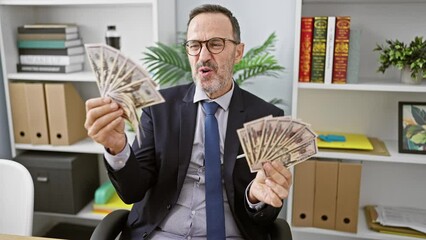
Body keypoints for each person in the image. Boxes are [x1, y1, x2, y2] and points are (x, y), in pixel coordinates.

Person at [85, 4, 292, 240]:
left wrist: (254, 198)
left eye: (215, 44)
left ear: (238, 52)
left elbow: (266, 213)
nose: (203, 56)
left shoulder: (267, 117)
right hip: (159, 234)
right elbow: (132, 191)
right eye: (195, 45)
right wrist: (118, 148)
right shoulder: (158, 107)